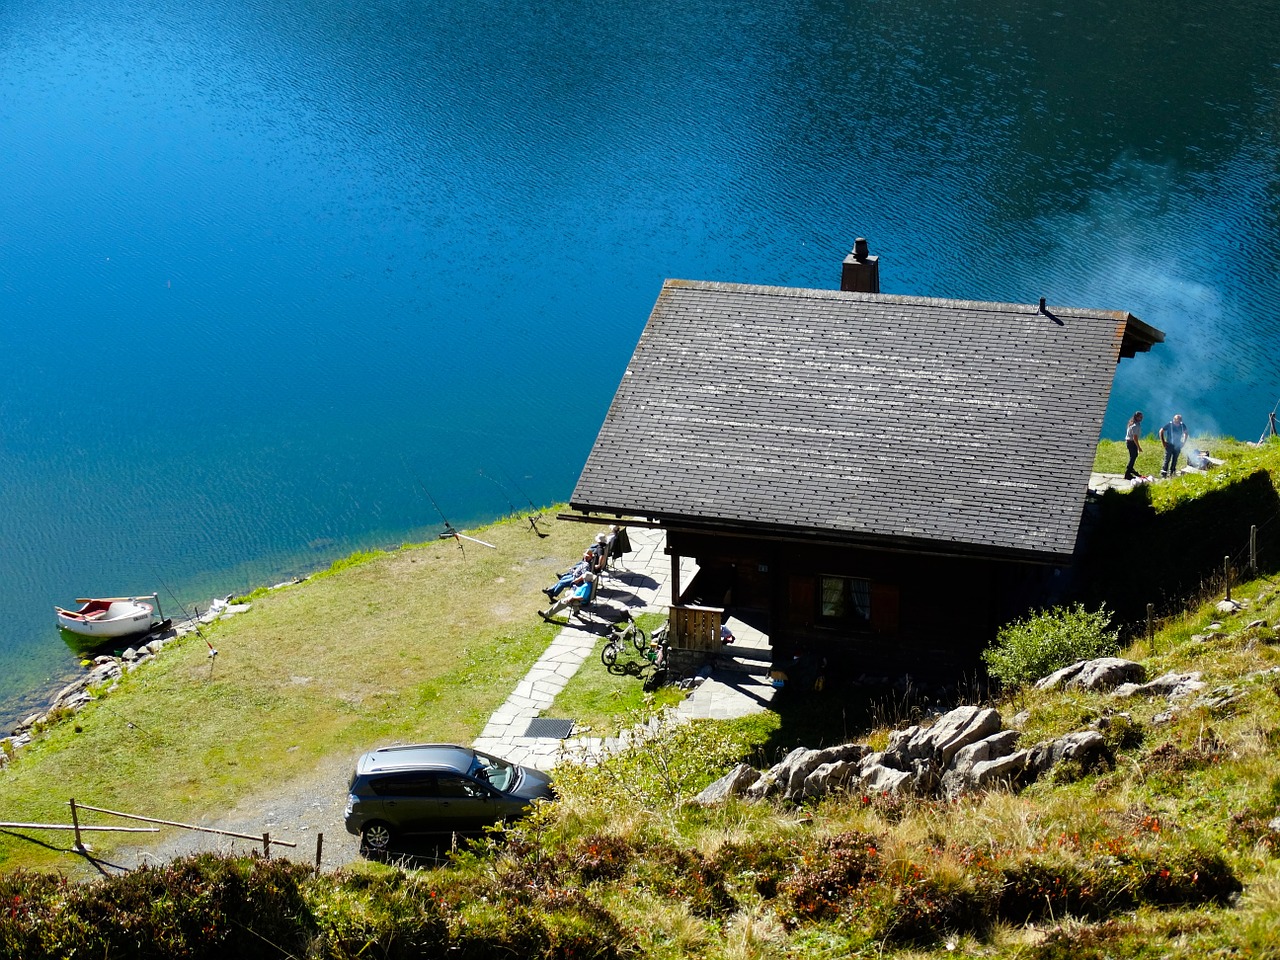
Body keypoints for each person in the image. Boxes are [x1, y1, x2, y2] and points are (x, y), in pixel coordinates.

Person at [1123, 411, 1144, 479]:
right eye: (1140, 417)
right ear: (1137, 417)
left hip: (1129, 442)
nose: (1141, 418)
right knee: (1133, 456)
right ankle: (1128, 473)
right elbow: (1135, 437)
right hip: (1131, 442)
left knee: (1133, 455)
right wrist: (1139, 447)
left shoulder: (1132, 423)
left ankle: (1131, 468)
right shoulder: (1135, 426)